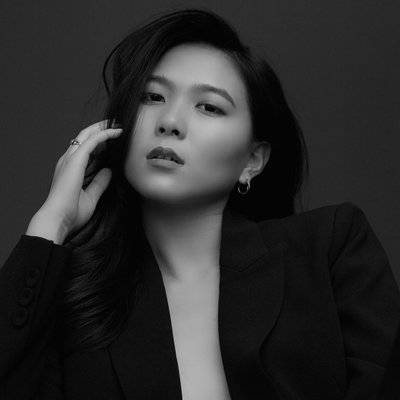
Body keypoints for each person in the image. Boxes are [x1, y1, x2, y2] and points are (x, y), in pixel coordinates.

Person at [1, 8, 399, 400]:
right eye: (152, 96)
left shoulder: (329, 250)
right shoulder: (77, 298)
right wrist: (50, 223)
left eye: (209, 106)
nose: (170, 121)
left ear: (252, 160)